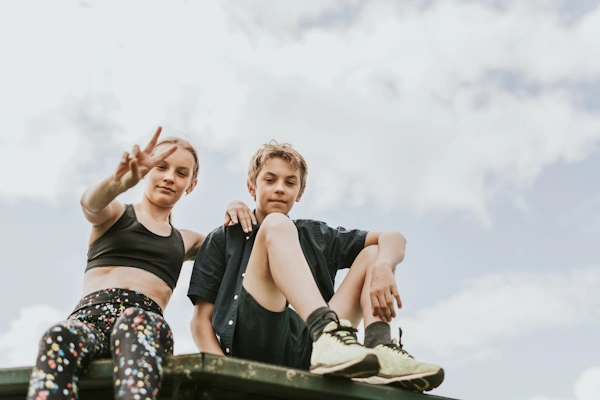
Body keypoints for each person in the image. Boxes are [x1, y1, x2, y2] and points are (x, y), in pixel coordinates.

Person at [187, 141, 445, 392]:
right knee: (276, 224)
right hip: (256, 342)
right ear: (251, 187)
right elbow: (201, 321)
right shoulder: (223, 237)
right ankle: (326, 330)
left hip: (310, 349)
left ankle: (379, 348)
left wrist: (384, 267)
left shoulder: (315, 234)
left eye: (290, 182)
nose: (280, 188)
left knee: (374, 252)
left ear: (299, 193)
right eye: (270, 180)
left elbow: (394, 238)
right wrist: (225, 374)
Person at [26, 127, 251, 400]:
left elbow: (232, 248)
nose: (169, 177)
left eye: (181, 173)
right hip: (89, 322)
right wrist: (117, 183)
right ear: (146, 171)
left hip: (144, 328)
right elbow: (90, 204)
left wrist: (237, 205)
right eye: (161, 167)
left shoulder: (187, 240)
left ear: (191, 185)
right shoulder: (117, 215)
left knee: (135, 320)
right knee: (60, 332)